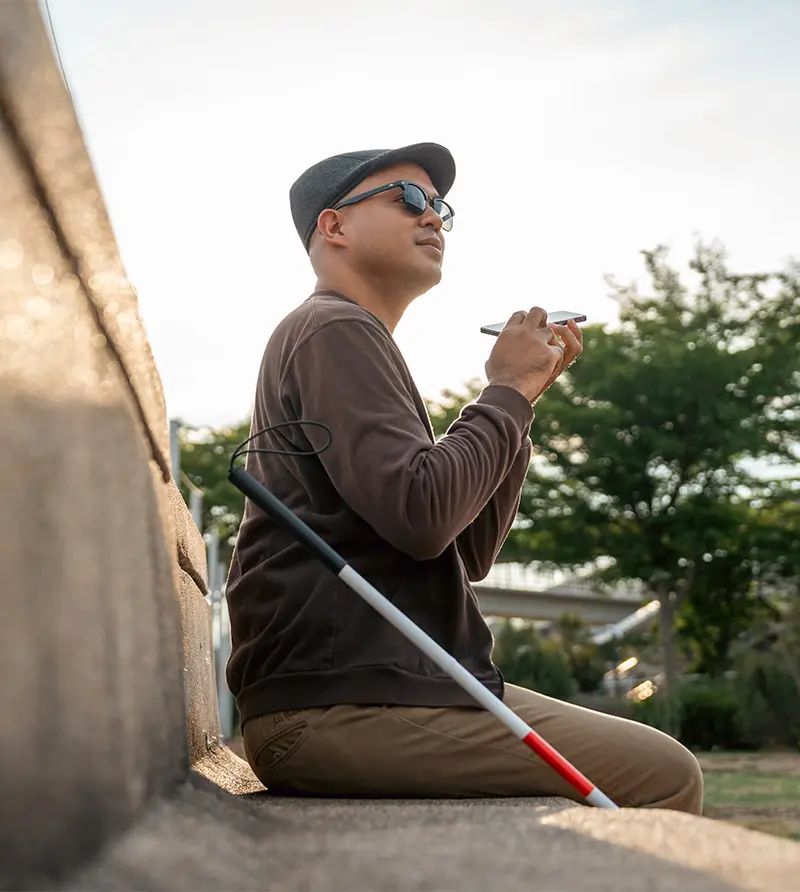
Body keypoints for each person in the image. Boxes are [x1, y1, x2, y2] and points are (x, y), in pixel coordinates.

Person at [225, 142, 703, 813]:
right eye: (409, 199)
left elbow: (464, 549)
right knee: (665, 774)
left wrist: (521, 400)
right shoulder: (332, 329)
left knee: (658, 766)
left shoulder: (354, 339)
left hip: (388, 688)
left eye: (441, 207)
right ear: (333, 226)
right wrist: (503, 389)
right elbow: (424, 516)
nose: (433, 219)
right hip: (337, 704)